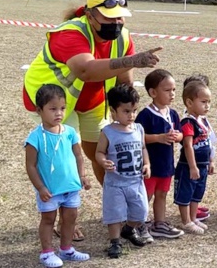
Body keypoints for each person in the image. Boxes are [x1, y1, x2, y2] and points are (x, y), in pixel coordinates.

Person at [23, 0, 161, 185]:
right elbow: (86, 71)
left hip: (93, 101)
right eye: (109, 18)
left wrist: (125, 115)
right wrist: (131, 60)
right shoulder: (70, 33)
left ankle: (115, 197)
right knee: (63, 155)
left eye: (120, 18)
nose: (116, 23)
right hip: (53, 100)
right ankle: (62, 204)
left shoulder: (123, 38)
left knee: (104, 151)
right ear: (89, 15)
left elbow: (125, 82)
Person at [25, 84, 91, 267]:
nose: (59, 113)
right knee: (48, 220)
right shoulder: (35, 137)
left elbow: (78, 155)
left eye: (62, 108)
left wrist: (83, 176)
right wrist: (40, 188)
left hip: (71, 187)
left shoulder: (69, 132)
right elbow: (30, 166)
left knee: (70, 218)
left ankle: (67, 249)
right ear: (39, 110)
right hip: (50, 190)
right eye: (53, 109)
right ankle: (46, 253)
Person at [95, 85, 151, 259]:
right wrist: (103, 162)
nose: (131, 115)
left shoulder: (138, 129)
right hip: (115, 182)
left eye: (134, 110)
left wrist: (147, 164)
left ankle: (129, 229)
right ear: (113, 111)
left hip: (135, 181)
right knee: (114, 213)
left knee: (141, 211)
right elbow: (99, 152)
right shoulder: (108, 132)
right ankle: (115, 241)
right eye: (126, 111)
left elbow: (143, 148)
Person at [135, 69, 184, 239]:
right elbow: (137, 137)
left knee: (162, 194)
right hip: (149, 165)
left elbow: (181, 133)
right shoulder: (145, 115)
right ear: (153, 92)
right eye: (167, 90)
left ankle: (160, 223)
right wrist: (158, 137)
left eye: (174, 90)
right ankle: (138, 223)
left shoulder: (172, 113)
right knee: (145, 195)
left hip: (166, 164)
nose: (172, 94)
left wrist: (178, 136)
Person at [174, 80, 214, 234]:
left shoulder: (203, 121)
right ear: (189, 102)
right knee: (186, 193)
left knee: (198, 192)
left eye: (209, 102)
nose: (207, 105)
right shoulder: (187, 122)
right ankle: (186, 221)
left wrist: (211, 161)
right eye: (203, 102)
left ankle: (193, 217)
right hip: (188, 166)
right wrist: (192, 166)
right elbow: (188, 145)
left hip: (203, 165)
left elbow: (209, 142)